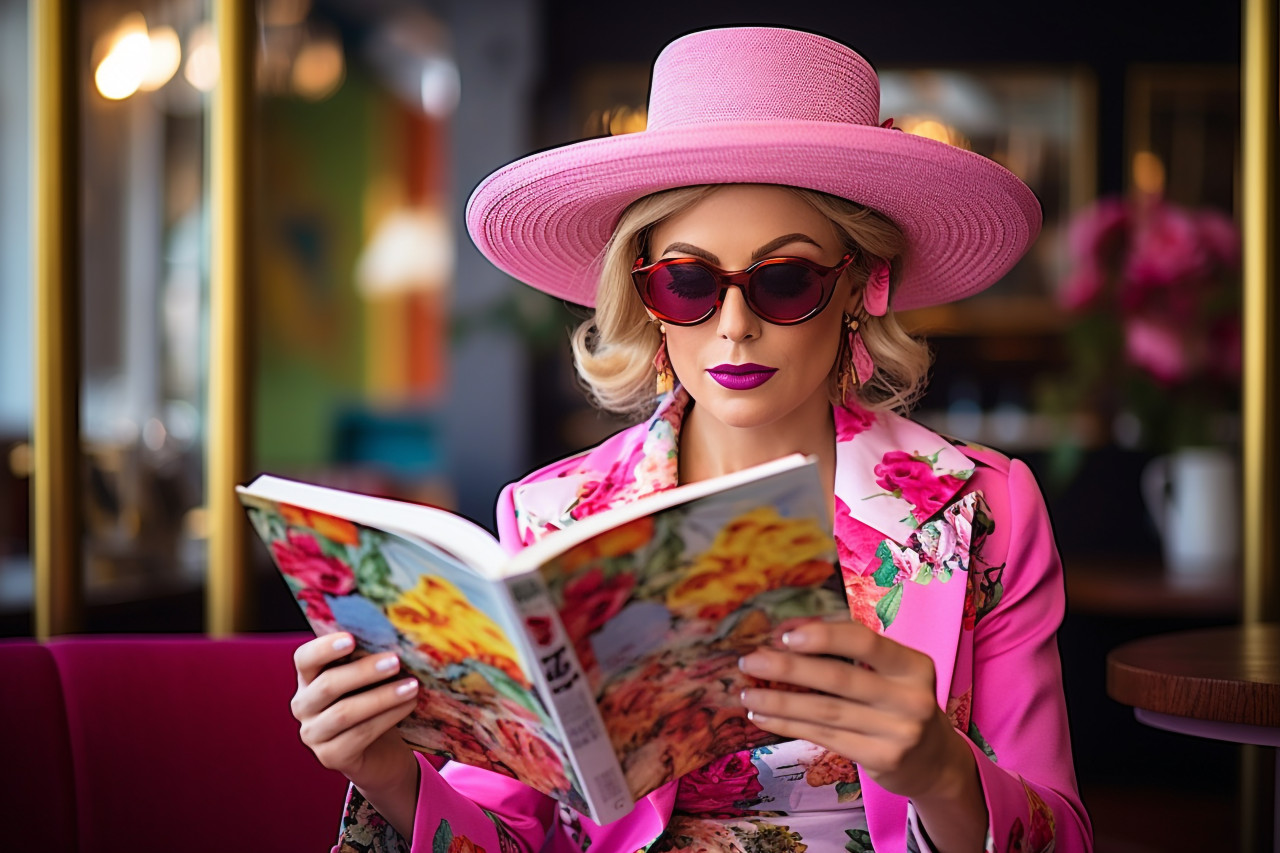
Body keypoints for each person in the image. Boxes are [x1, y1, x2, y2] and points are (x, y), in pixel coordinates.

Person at [290, 26, 1093, 853]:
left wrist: (942, 770)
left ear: (857, 281)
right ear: (643, 292)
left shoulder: (987, 512)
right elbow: (508, 840)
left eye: (785, 280)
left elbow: (1063, 837)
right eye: (690, 282)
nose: (735, 327)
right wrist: (389, 773)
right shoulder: (550, 518)